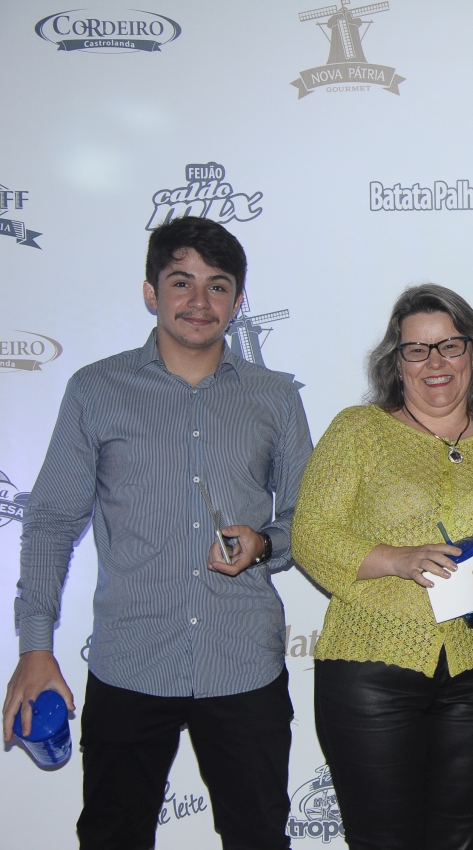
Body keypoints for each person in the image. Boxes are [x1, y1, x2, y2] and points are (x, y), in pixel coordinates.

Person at [3, 216, 312, 849]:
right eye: (181, 282)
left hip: (242, 663)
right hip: (130, 661)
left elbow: (306, 521)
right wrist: (35, 648)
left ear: (238, 300)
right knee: (112, 837)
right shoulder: (96, 390)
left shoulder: (276, 397)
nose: (200, 301)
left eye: (218, 285)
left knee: (259, 838)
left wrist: (264, 545)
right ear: (151, 292)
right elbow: (53, 520)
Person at [291, 284, 473, 850]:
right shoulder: (358, 430)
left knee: (462, 839)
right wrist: (398, 559)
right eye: (416, 350)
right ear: (396, 363)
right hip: (371, 671)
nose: (434, 362)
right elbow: (309, 535)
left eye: (449, 346)